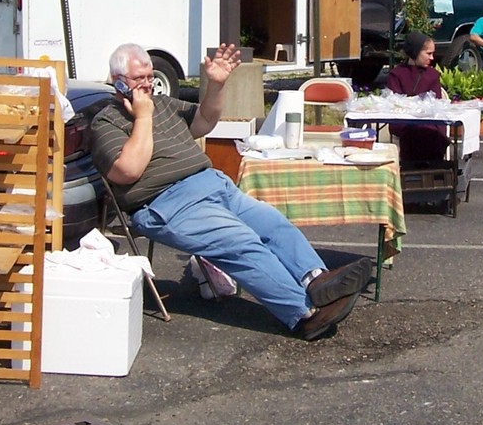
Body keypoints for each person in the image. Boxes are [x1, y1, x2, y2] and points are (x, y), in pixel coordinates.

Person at [90, 42, 372, 341]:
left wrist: (216, 84)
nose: (147, 85)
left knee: (272, 223)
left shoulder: (164, 105)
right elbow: (128, 171)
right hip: (167, 204)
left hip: (211, 184)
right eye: (139, 80)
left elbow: (205, 122)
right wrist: (143, 118)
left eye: (149, 76)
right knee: (242, 242)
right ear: (118, 80)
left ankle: (316, 281)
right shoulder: (107, 121)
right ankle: (304, 314)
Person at [385, 31, 452, 164]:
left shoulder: (433, 75)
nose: (432, 58)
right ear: (415, 52)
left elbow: (436, 106)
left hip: (430, 126)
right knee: (415, 132)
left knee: (428, 133)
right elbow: (392, 104)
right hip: (404, 125)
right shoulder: (396, 74)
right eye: (428, 53)